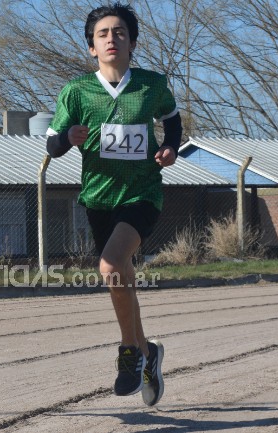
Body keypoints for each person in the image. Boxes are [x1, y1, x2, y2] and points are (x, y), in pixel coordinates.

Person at [46, 3, 182, 406]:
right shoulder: (76, 92)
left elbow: (172, 120)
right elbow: (51, 145)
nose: (111, 39)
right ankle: (148, 353)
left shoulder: (151, 85)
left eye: (119, 32)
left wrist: (170, 146)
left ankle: (129, 355)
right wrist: (68, 135)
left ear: (133, 42)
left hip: (142, 194)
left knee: (109, 265)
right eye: (103, 34)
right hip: (99, 199)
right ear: (92, 47)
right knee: (121, 278)